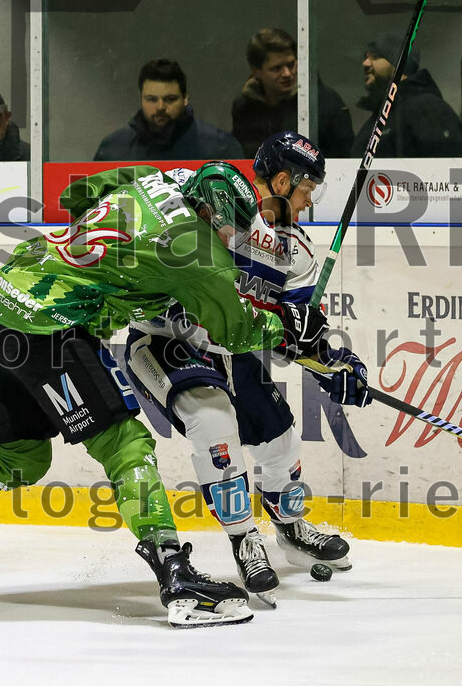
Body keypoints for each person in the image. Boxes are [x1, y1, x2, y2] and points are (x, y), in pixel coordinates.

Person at [0, 161, 329, 628]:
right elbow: (238, 329)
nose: (230, 240)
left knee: (20, 458)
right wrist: (291, 328)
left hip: (5, 304)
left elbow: (77, 193)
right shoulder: (197, 250)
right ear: (209, 213)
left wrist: (116, 267)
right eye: (227, 229)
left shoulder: (156, 180)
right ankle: (177, 580)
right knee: (126, 444)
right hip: (49, 332)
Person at [123, 131, 370, 605]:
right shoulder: (193, 200)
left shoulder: (293, 250)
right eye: (305, 191)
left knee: (279, 438)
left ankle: (292, 529)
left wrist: (335, 365)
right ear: (281, 180)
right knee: (213, 423)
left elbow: (295, 336)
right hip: (163, 342)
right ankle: (244, 541)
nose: (307, 204)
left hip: (232, 348)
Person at [231, 27, 353, 159]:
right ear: (256, 71)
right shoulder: (243, 108)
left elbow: (344, 160)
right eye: (276, 68)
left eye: (291, 64)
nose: (287, 74)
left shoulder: (325, 102)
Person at [94, 58, 242, 161]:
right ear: (141, 98)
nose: (160, 107)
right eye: (152, 99)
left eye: (170, 99)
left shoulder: (220, 147)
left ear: (185, 98)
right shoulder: (113, 149)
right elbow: (94, 203)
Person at [351, 34, 461, 158]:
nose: (365, 63)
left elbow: (445, 168)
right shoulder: (385, 113)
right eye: (366, 57)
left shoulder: (426, 108)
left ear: (399, 64)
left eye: (375, 57)